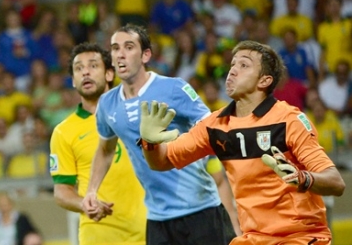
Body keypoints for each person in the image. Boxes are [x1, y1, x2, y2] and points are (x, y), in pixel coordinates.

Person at [140, 40, 346, 244]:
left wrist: (302, 178)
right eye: (233, 64)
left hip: (300, 237)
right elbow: (161, 162)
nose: (232, 71)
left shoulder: (289, 121)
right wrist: (149, 143)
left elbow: (336, 182)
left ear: (264, 81)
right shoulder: (215, 125)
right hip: (253, 239)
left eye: (244, 65)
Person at [81, 24, 237, 245]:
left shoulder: (174, 89)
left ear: (146, 55)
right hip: (157, 218)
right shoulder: (107, 104)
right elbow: (105, 150)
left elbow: (210, 128)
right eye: (115, 49)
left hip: (201, 210)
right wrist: (91, 191)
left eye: (129, 47)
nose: (120, 54)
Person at [50, 42, 147, 244]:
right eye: (78, 69)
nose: (85, 72)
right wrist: (84, 204)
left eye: (93, 66)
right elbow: (62, 191)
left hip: (148, 230)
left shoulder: (139, 114)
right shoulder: (63, 132)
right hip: (99, 235)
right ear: (73, 82)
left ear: (109, 74)